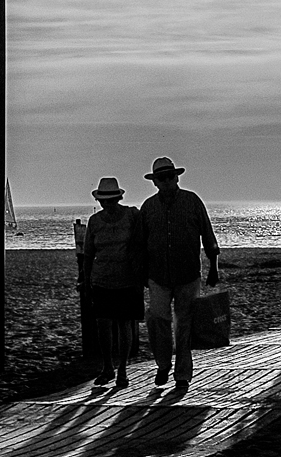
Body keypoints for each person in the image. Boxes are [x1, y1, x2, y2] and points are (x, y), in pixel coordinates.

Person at [139, 157, 219, 394]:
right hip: (157, 274)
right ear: (155, 182)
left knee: (184, 326)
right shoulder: (148, 207)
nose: (166, 182)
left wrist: (214, 266)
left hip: (188, 274)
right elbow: (140, 244)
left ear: (177, 177)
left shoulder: (192, 201)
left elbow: (208, 235)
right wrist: (142, 273)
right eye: (161, 178)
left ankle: (182, 375)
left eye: (169, 177)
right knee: (157, 320)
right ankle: (163, 364)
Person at [83, 177, 144, 389]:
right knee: (103, 324)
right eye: (103, 201)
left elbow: (141, 243)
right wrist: (85, 279)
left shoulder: (131, 216)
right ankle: (108, 367)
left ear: (118, 198)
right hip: (101, 279)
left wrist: (141, 274)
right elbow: (89, 254)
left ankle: (123, 370)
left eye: (110, 200)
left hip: (127, 279)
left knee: (124, 324)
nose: (106, 204)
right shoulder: (95, 221)